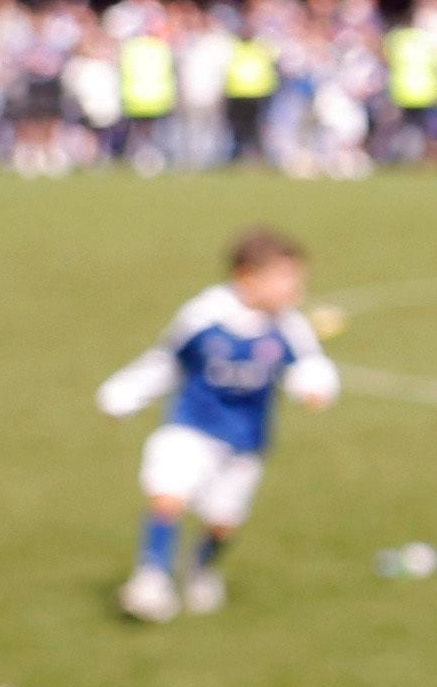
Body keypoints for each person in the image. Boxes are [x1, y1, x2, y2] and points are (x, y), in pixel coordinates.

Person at [96, 224, 337, 620]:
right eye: (285, 279)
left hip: (245, 440)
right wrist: (126, 393)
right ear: (246, 276)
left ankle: (201, 568)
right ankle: (152, 578)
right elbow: (168, 361)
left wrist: (315, 388)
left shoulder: (288, 326)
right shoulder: (204, 316)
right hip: (192, 426)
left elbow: (309, 366)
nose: (296, 290)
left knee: (224, 523)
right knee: (168, 495)